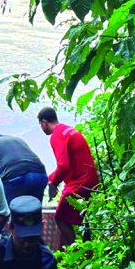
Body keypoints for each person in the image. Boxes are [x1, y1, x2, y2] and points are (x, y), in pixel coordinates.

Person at [37, 107, 99, 249]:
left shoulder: (56, 135)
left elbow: (63, 166)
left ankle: (76, 253)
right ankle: (87, 250)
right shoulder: (68, 130)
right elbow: (68, 165)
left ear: (44, 122)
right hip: (91, 179)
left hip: (80, 182)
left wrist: (53, 184)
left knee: (60, 217)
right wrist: (46, 178)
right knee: (84, 218)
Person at [0, 129, 48, 203]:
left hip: (14, 178)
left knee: (9, 211)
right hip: (40, 176)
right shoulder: (17, 139)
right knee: (34, 209)